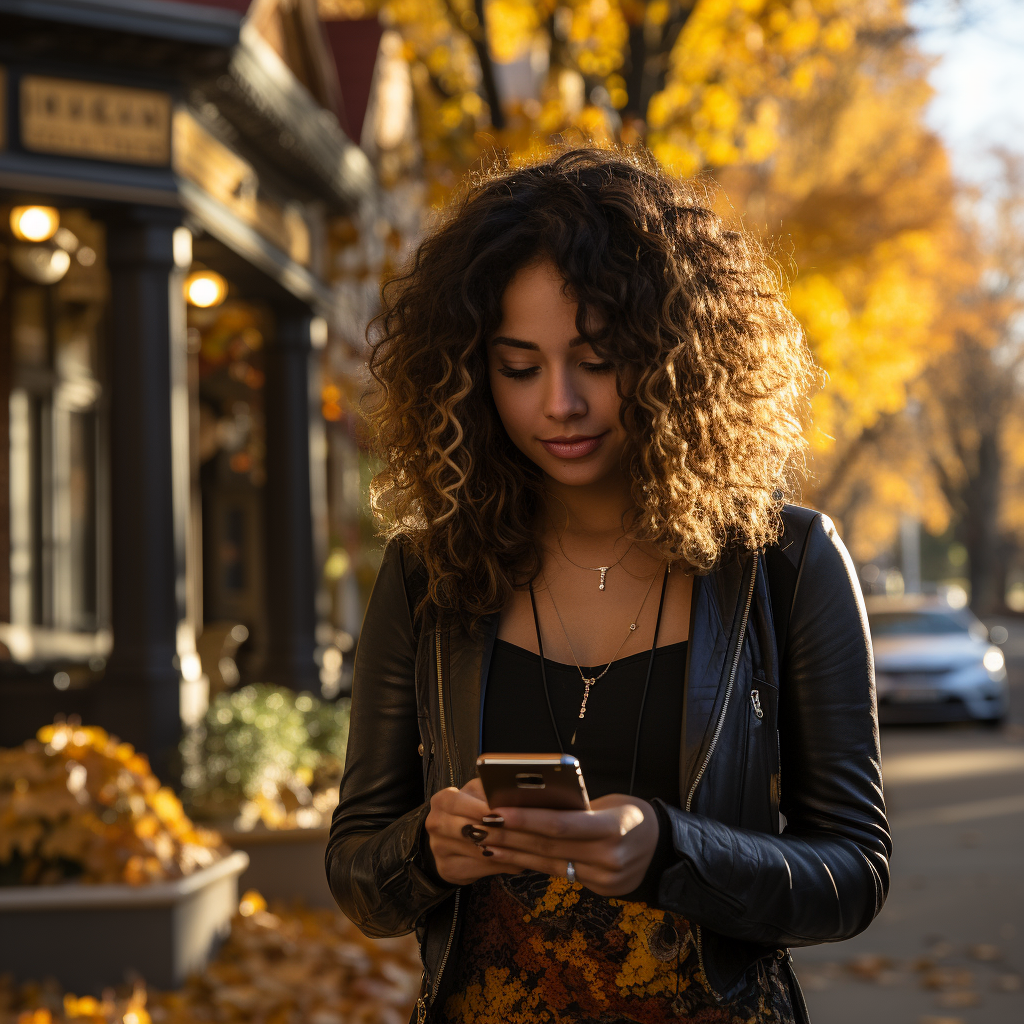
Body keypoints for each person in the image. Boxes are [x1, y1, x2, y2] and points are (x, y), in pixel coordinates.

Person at [326, 147, 890, 1024]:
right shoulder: (426, 574)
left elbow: (853, 873)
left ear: (676, 360)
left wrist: (669, 852)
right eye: (519, 367)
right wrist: (428, 850)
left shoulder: (788, 561)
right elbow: (360, 875)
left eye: (595, 360)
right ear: (470, 376)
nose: (560, 403)